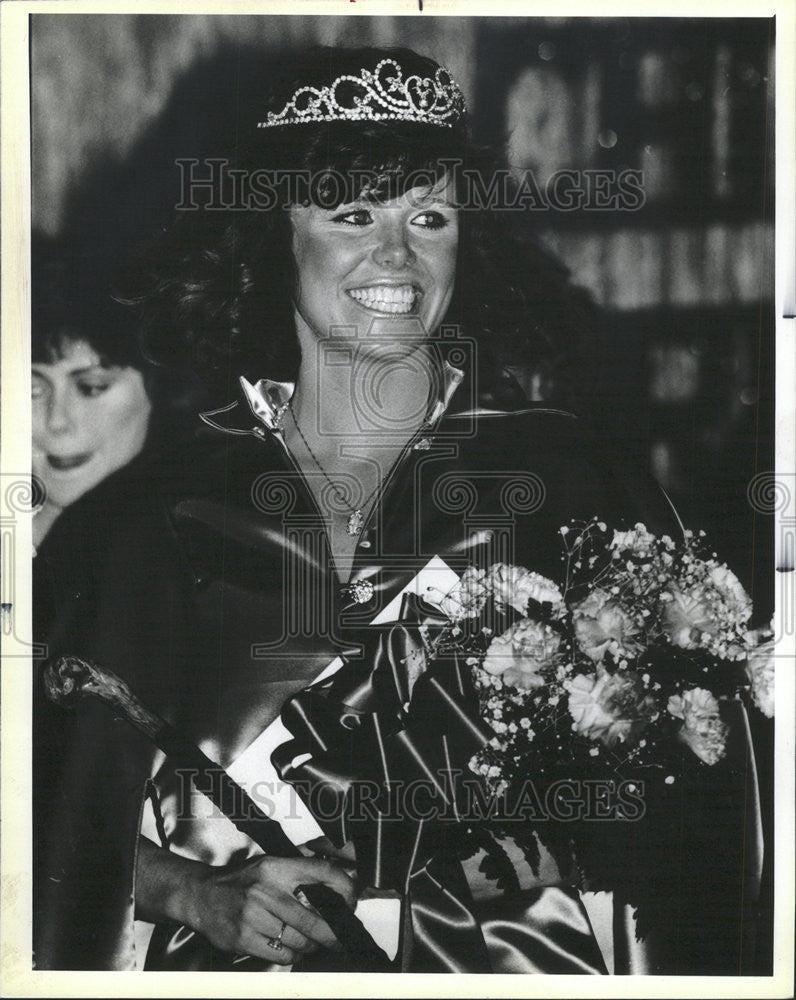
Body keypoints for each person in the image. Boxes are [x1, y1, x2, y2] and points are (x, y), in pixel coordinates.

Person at [34, 46, 760, 974]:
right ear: (273, 235)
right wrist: (191, 891)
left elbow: (704, 821)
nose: (397, 255)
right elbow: (45, 805)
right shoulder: (151, 521)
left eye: (430, 216)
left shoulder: (573, 482)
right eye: (351, 214)